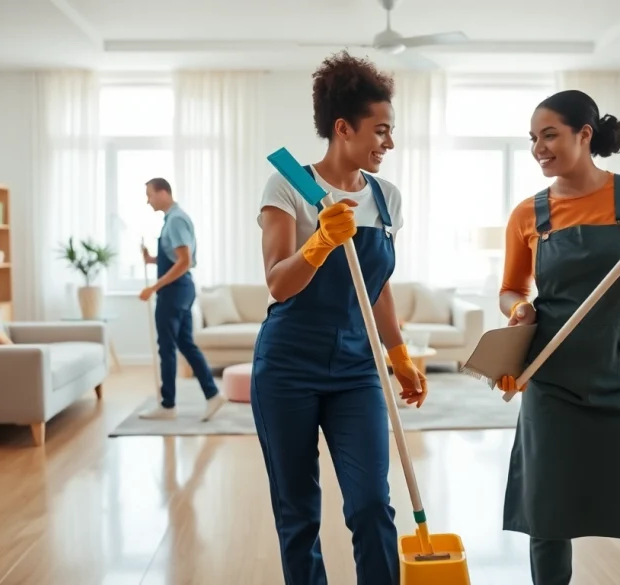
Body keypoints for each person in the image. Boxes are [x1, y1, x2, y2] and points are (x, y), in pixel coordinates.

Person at [496, 89, 620, 585]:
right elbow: (510, 289)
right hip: (553, 381)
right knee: (549, 518)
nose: (539, 148)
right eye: (533, 139)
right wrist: (519, 309)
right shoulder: (529, 214)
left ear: (585, 135)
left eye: (550, 135)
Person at [251, 50, 426, 585]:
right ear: (343, 128)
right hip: (288, 368)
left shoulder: (386, 198)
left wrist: (398, 355)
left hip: (356, 371)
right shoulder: (290, 187)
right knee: (298, 510)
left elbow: (377, 288)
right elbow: (279, 283)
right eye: (381, 130)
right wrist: (321, 241)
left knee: (372, 503)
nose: (388, 143)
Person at [138, 177, 227, 422]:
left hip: (174, 291)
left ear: (164, 192)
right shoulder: (172, 220)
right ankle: (212, 394)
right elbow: (176, 257)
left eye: (150, 195)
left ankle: (168, 405)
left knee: (167, 347)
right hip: (181, 289)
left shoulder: (175, 220)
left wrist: (153, 288)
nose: (148, 201)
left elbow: (184, 261)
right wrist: (151, 260)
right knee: (185, 344)